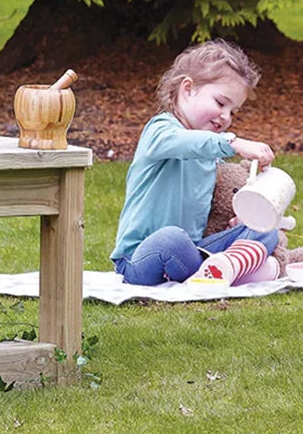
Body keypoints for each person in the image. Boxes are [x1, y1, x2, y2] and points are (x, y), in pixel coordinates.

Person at [111, 39, 278, 286]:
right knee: (172, 239)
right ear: (188, 89)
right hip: (140, 257)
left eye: (233, 112)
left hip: (195, 251)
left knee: (265, 230)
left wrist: (242, 213)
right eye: (221, 103)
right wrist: (234, 143)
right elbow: (189, 143)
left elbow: (219, 197)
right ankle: (231, 271)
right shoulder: (160, 131)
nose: (226, 117)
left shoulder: (212, 154)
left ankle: (223, 268)